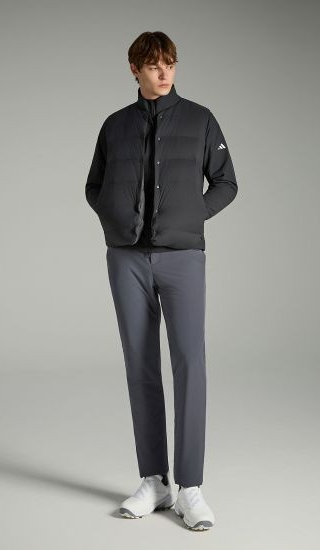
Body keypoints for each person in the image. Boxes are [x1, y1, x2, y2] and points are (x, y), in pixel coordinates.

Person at [85, 31, 237, 530]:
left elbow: (226, 182)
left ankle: (190, 487)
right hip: (126, 259)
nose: (164, 72)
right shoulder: (115, 125)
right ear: (135, 70)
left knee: (190, 363)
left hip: (182, 258)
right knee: (140, 366)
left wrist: (191, 217)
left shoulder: (200, 119)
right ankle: (154, 480)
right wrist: (115, 221)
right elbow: (94, 185)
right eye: (153, 65)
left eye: (169, 63)